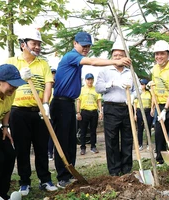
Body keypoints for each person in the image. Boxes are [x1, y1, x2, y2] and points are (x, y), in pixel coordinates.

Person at [50, 32, 131, 188]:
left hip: (69, 104)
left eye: (88, 46)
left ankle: (70, 173)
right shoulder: (71, 56)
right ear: (75, 43)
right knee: (62, 141)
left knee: (71, 141)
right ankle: (62, 177)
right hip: (60, 103)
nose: (86, 48)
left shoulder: (76, 59)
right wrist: (115, 61)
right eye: (83, 45)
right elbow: (93, 62)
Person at [6, 29, 58, 195]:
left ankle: (45, 180)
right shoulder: (12, 62)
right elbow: (4, 83)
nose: (37, 47)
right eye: (34, 43)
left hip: (39, 112)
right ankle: (25, 182)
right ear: (23, 45)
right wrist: (20, 76)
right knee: (22, 148)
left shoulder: (42, 64)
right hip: (17, 112)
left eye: (39, 44)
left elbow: (48, 83)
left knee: (42, 147)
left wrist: (45, 104)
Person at [95, 38, 140, 176]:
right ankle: (114, 170)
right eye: (115, 55)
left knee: (127, 139)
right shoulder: (105, 71)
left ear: (126, 57)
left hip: (126, 108)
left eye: (121, 55)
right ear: (112, 56)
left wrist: (132, 97)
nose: (118, 58)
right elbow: (98, 88)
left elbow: (137, 89)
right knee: (112, 139)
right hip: (111, 108)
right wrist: (112, 83)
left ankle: (126, 169)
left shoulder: (131, 72)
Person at [0, 64, 26, 200]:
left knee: (10, 154)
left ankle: (2, 193)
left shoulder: (10, 92)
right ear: (0, 82)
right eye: (12, 84)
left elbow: (8, 109)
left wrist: (5, 127)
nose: (15, 88)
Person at [76, 73, 102, 155]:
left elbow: (99, 101)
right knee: (83, 131)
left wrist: (100, 111)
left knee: (93, 130)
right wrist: (78, 112)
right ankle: (83, 147)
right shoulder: (81, 89)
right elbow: (78, 101)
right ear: (85, 80)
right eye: (88, 79)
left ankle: (93, 146)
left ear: (93, 80)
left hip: (94, 112)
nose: (90, 81)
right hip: (84, 112)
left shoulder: (96, 90)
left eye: (91, 79)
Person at [133, 79, 154, 151]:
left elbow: (152, 102)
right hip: (139, 111)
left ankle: (148, 144)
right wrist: (135, 114)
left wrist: (152, 109)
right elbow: (135, 104)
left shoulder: (149, 93)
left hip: (147, 111)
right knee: (140, 128)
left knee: (148, 128)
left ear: (145, 85)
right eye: (140, 84)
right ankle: (140, 144)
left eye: (142, 84)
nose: (141, 86)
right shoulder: (138, 93)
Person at [48, 68, 56, 161]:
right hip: (48, 115)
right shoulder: (47, 88)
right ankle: (49, 152)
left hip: (56, 114)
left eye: (54, 74)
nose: (53, 76)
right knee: (50, 135)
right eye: (52, 74)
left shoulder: (57, 89)